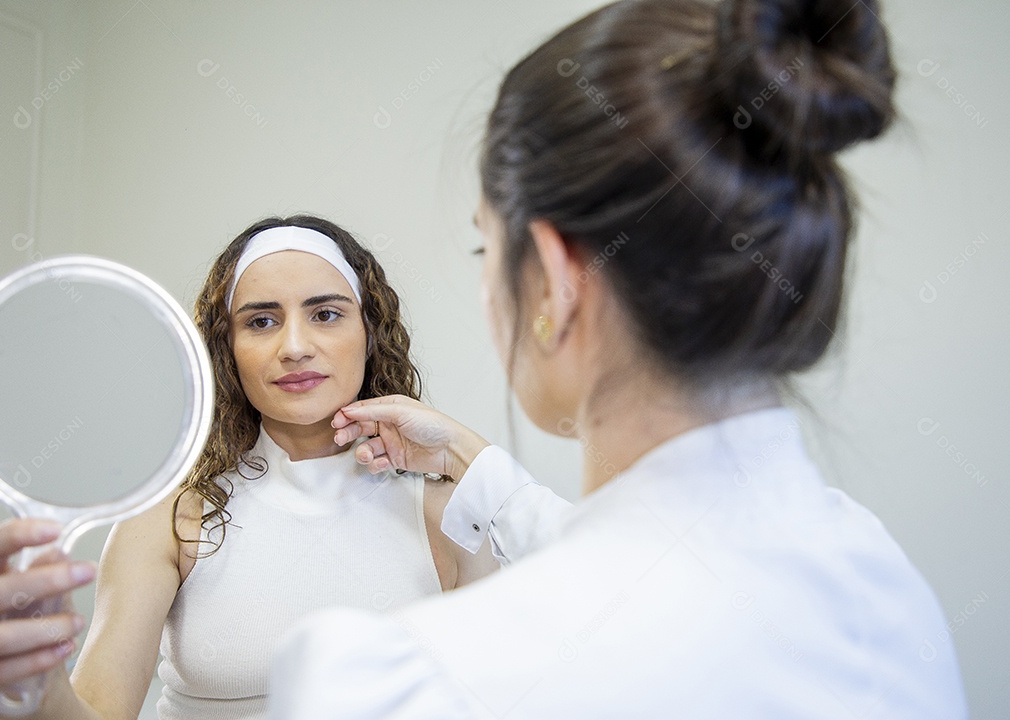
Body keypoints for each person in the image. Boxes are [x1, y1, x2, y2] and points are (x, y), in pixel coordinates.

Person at [268, 0, 969, 717]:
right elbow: (656, 566)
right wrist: (466, 460)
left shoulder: (394, 685)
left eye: (487, 247)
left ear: (555, 280)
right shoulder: (882, 583)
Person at [0, 215, 498, 719]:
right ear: (227, 349)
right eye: (261, 321)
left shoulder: (449, 512)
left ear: (370, 332)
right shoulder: (168, 518)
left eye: (325, 314)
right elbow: (98, 709)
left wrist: (466, 454)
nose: (294, 347)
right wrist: (36, 686)